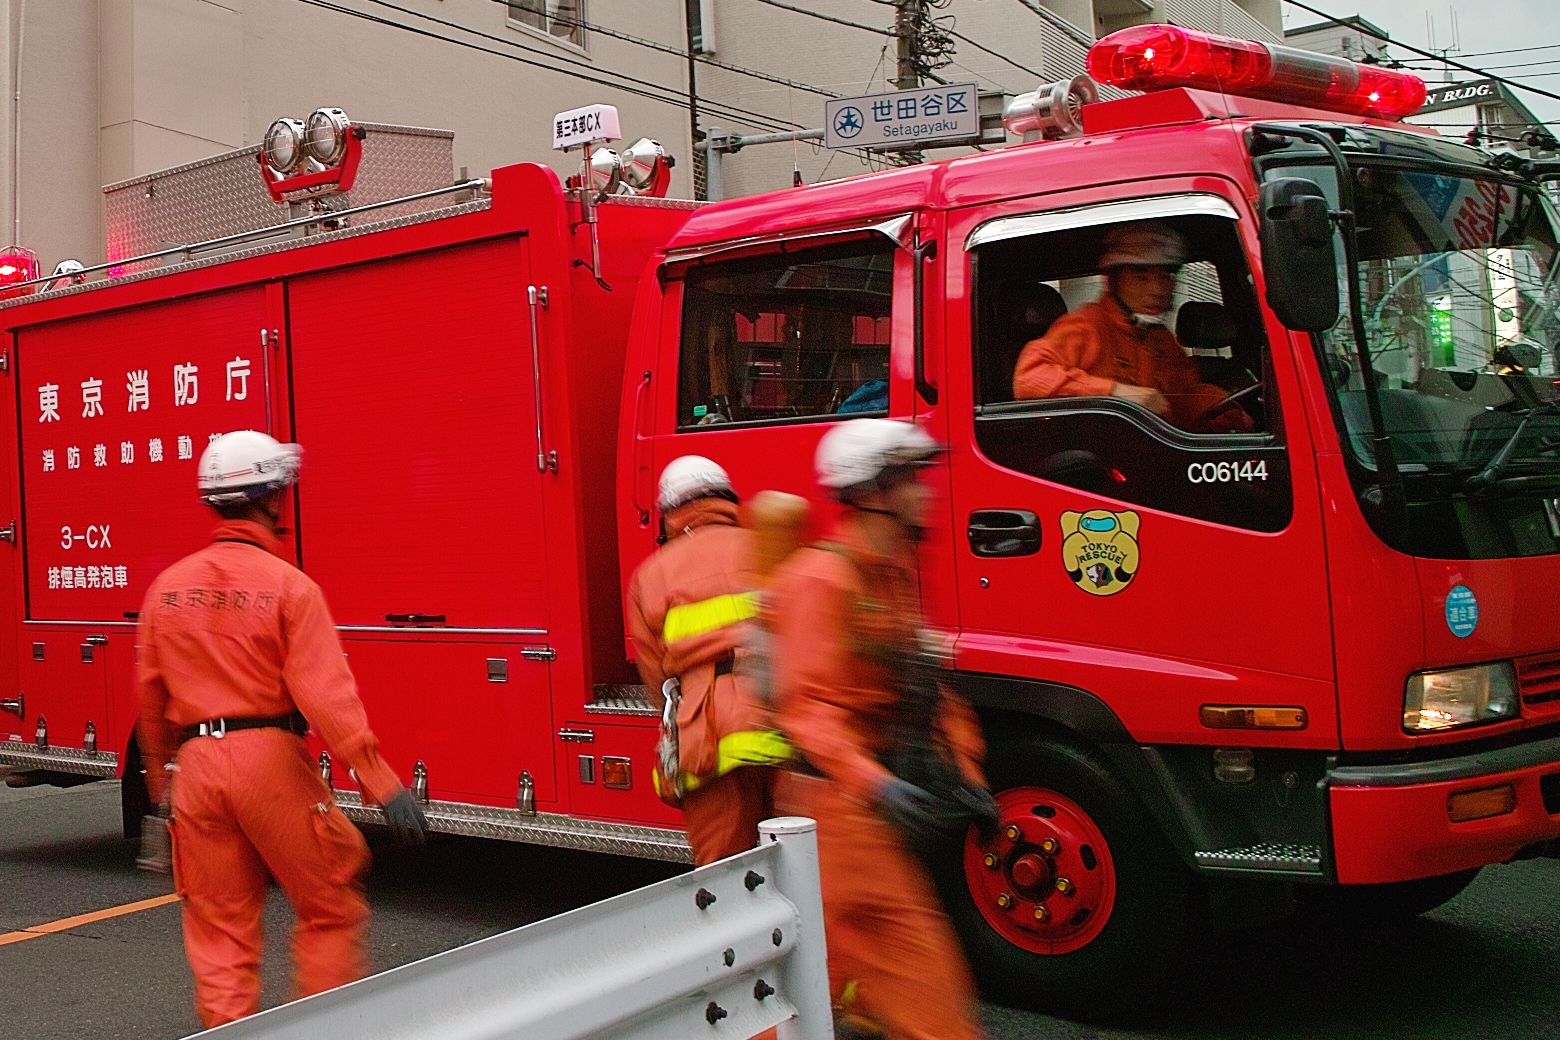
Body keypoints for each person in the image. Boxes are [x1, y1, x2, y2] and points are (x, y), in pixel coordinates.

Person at [136, 430, 427, 1028]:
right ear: (273, 499)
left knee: (220, 936)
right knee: (328, 909)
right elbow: (327, 698)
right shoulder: (291, 588)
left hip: (195, 769)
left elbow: (148, 700)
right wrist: (380, 782)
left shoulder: (165, 590)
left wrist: (163, 796)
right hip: (268, 763)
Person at [769, 419, 994, 1040]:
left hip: (862, 812)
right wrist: (878, 785)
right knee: (922, 987)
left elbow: (927, 689)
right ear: (869, 493)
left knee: (808, 989)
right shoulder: (820, 582)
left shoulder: (889, 577)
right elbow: (808, 708)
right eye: (910, 480)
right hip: (839, 817)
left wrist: (968, 776)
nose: (926, 493)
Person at [626, 455, 791, 865]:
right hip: (784, 722)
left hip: (710, 739)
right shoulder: (771, 548)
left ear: (670, 513)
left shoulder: (651, 575)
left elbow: (655, 678)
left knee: (727, 876)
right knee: (801, 867)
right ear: (727, 500)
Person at [1012, 220, 1254, 432]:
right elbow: (1028, 380)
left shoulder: (1161, 340)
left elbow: (1183, 399)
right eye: (1141, 275)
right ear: (1113, 279)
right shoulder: (1086, 326)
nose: (1158, 290)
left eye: (1166, 276)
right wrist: (1116, 393)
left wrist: (1231, 412)